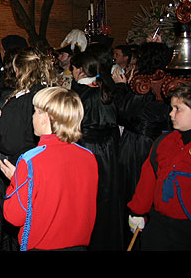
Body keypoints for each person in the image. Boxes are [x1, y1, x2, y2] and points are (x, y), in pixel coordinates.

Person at [0, 86, 98, 251]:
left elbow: (14, 216)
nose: (32, 116)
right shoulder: (88, 156)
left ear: (46, 117)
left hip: (42, 245)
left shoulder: (31, 160)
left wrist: (16, 181)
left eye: (36, 111)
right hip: (77, 245)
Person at [0, 46, 56, 251]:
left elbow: (11, 139)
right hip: (28, 160)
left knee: (9, 221)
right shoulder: (41, 93)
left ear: (22, 69)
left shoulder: (27, 99)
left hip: (15, 164)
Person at [112, 42, 172, 247]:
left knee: (134, 189)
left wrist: (120, 86)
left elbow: (123, 112)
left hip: (138, 143)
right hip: (156, 140)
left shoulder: (143, 83)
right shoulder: (166, 80)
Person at [70, 47, 124, 250]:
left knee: (90, 201)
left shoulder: (81, 94)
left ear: (79, 71)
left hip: (88, 150)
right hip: (108, 151)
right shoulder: (103, 88)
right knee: (106, 197)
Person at [127, 83, 191, 251]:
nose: (171, 114)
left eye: (178, 109)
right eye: (171, 108)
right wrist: (138, 211)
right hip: (160, 224)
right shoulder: (164, 142)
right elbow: (149, 179)